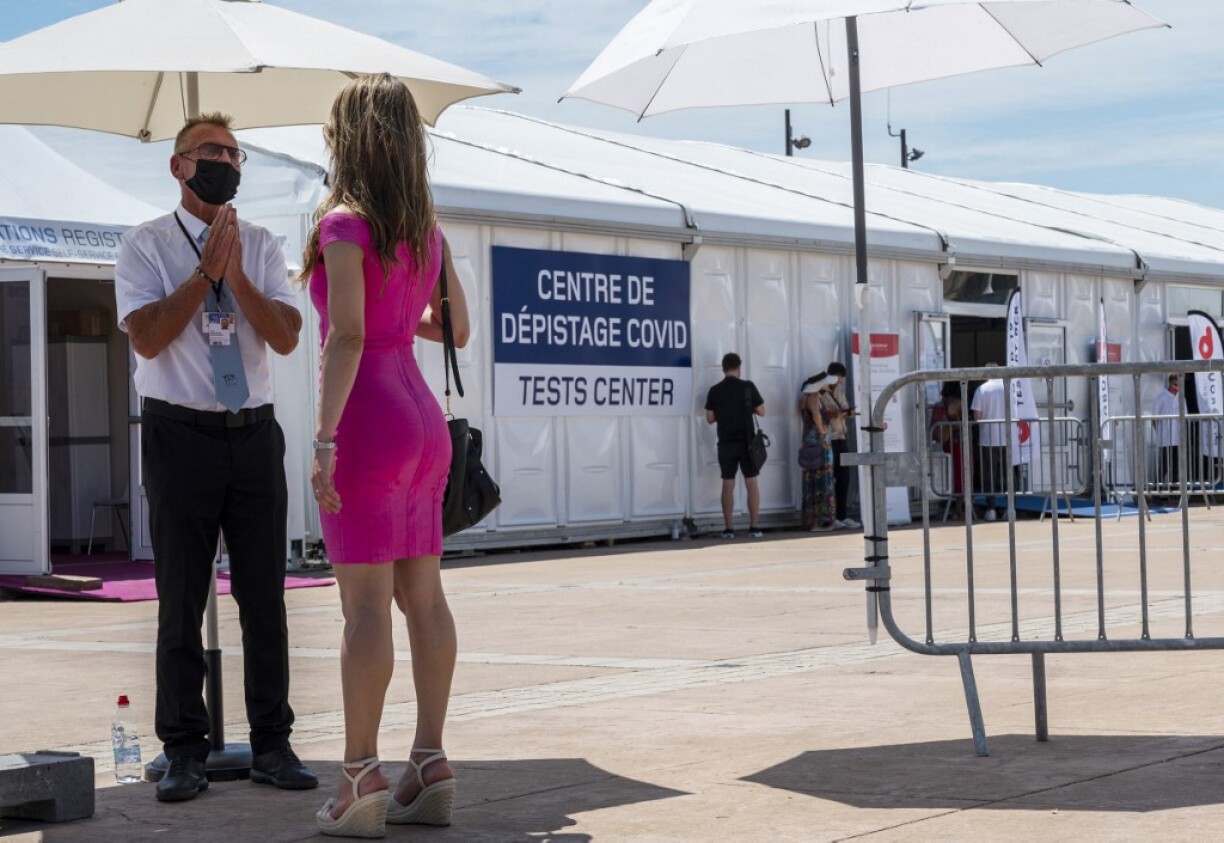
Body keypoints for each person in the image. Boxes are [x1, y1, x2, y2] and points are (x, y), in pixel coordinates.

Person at [114, 113, 315, 803]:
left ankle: (271, 742)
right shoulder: (143, 246)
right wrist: (204, 274)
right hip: (180, 435)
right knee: (181, 599)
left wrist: (237, 276)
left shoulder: (261, 243)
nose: (226, 162)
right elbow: (145, 337)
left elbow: (287, 336)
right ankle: (183, 749)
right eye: (212, 152)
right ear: (179, 166)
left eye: (234, 154)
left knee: (265, 598)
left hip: (253, 434)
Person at [303, 73, 471, 837]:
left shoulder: (344, 223)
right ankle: (428, 759)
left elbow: (345, 334)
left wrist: (324, 440)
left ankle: (358, 776)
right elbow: (455, 327)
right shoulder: (424, 228)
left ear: (350, 138)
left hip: (369, 417)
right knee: (423, 599)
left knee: (364, 606)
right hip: (423, 418)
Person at [705, 352, 766, 539]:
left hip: (726, 443)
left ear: (723, 369)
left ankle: (729, 528)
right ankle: (754, 527)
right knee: (751, 482)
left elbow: (709, 418)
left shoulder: (714, 390)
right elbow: (762, 411)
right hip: (747, 443)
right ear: (739, 367)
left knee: (728, 483)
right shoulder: (748, 387)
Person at [817, 361, 860, 530]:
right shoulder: (820, 391)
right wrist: (833, 414)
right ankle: (830, 516)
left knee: (844, 478)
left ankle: (843, 515)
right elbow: (819, 414)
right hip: (829, 439)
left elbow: (847, 411)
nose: (840, 383)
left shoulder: (839, 391)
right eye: (839, 379)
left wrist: (846, 413)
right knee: (829, 480)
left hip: (842, 436)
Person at [970, 370, 1011, 522]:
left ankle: (991, 509)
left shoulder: (981, 389)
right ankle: (1010, 508)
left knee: (989, 476)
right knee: (1009, 475)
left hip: (988, 438)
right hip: (1007, 437)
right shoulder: (1009, 387)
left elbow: (977, 416)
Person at [799, 372, 837, 532]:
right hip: (818, 442)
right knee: (823, 479)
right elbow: (816, 416)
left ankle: (812, 519)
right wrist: (823, 432)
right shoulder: (814, 397)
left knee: (812, 481)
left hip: (808, 442)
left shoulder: (804, 398)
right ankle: (821, 521)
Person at [931, 384, 969, 520]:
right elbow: (958, 423)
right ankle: (958, 510)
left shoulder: (938, 406)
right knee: (960, 476)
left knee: (948, 478)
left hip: (943, 446)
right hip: (956, 444)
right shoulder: (956, 404)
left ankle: (950, 507)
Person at [1152, 373, 1181, 492]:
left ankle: (1174, 491)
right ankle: (1156, 490)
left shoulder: (1181, 397)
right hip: (1165, 439)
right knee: (1163, 466)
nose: (1177, 387)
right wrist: (1159, 433)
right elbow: (1154, 418)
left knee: (1176, 466)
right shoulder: (1161, 397)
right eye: (1175, 384)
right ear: (1170, 383)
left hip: (1177, 439)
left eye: (1178, 384)